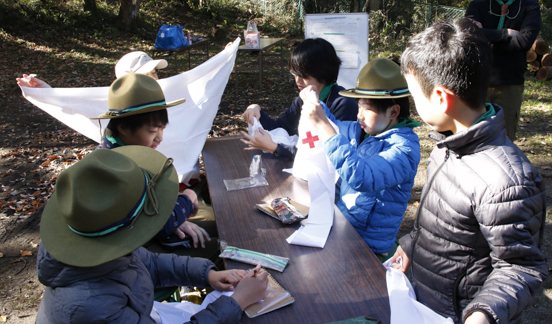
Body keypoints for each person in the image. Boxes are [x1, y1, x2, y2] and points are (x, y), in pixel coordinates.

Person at [391, 19, 547, 324]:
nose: (413, 103)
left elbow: (521, 267)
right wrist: (410, 244)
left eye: (414, 96)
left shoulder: (507, 181)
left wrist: (482, 313)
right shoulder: (447, 147)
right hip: (426, 305)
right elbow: (441, 221)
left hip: (461, 315)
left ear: (440, 98)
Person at [35, 146, 268, 323]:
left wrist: (207, 275)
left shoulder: (101, 244)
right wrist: (238, 302)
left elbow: (149, 263)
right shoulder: (91, 304)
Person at [299, 58, 421, 260]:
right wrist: (314, 101)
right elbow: (333, 125)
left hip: (371, 247)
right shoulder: (361, 131)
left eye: (367, 108)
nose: (359, 116)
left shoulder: (404, 149)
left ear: (393, 111)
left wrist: (325, 128)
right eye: (358, 107)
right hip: (346, 229)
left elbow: (363, 177)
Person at [92, 73, 216, 258]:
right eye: (152, 131)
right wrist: (188, 200)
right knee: (222, 247)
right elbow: (159, 224)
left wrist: (174, 216)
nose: (159, 138)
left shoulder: (119, 149)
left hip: (148, 233)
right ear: (123, 128)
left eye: (162, 129)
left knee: (217, 228)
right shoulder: (121, 168)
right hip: (132, 253)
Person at [241, 38, 358, 159]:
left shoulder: (344, 103)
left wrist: (276, 148)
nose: (298, 80)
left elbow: (328, 154)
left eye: (304, 75)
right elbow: (282, 129)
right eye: (295, 73)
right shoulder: (305, 98)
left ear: (323, 72)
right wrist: (256, 109)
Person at [465, 0, 541, 141]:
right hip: (477, 81)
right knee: (471, 137)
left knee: (504, 139)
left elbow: (524, 42)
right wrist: (505, 33)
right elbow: (469, 36)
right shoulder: (477, 5)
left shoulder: (530, 8)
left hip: (509, 83)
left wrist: (485, 38)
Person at [16, 51, 167, 88]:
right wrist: (45, 92)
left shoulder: (168, 93)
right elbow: (78, 105)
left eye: (153, 73)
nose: (153, 79)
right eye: (145, 75)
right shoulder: (112, 104)